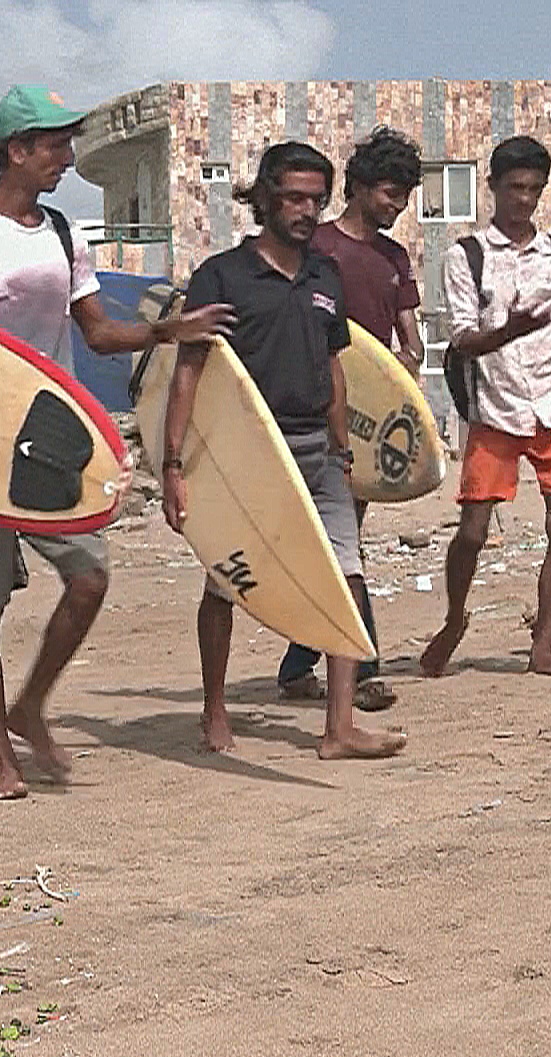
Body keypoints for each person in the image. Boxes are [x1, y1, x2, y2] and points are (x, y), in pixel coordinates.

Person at [0, 85, 232, 799]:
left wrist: (163, 332)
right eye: (55, 145)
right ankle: (0, 756)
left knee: (89, 577)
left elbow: (97, 332)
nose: (67, 158)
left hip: (51, 432)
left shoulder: (62, 234)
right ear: (17, 150)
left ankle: (30, 706)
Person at [161, 142, 407, 760]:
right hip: (250, 454)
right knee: (225, 581)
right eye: (294, 197)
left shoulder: (326, 275)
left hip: (319, 451)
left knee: (346, 578)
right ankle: (215, 709)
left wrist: (344, 446)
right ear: (266, 197)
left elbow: (334, 363)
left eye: (316, 200)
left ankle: (339, 727)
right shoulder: (223, 275)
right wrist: (173, 464)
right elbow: (189, 372)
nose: (305, 210)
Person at [419, 135, 551, 678]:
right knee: (473, 530)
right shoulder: (466, 255)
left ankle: (542, 644)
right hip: (494, 407)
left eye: (534, 189)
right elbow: (462, 337)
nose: (524, 200)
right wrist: (506, 332)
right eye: (515, 188)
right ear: (492, 187)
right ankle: (454, 617)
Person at [275, 126, 425, 712]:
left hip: (365, 421)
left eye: (406, 197)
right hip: (310, 412)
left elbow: (408, 343)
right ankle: (358, 666)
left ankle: (304, 662)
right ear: (359, 186)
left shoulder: (394, 258)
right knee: (332, 545)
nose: (397, 206)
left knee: (343, 546)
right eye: (391, 193)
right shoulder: (320, 249)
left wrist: (402, 371)